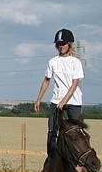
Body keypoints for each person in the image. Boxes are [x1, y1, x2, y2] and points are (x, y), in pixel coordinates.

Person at [34, 28, 84, 158]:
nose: (61, 46)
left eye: (63, 44)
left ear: (69, 44)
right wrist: (38, 99)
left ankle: (79, 163)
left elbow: (74, 84)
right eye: (58, 44)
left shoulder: (76, 62)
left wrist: (64, 101)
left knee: (76, 133)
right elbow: (46, 80)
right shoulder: (52, 62)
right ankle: (51, 160)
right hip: (56, 101)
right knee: (52, 132)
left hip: (73, 102)